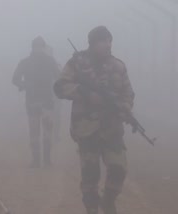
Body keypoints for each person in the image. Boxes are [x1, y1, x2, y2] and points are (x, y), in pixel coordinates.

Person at [54, 26, 135, 214]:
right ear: (92, 43)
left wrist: (124, 108)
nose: (108, 45)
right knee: (90, 176)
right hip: (86, 128)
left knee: (118, 168)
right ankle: (92, 209)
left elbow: (128, 93)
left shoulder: (118, 66)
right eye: (103, 41)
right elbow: (60, 87)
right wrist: (84, 93)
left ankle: (107, 201)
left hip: (112, 128)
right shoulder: (77, 64)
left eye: (110, 41)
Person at [13, 36, 60, 168]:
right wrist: (24, 85)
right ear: (33, 47)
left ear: (43, 47)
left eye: (40, 46)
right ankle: (37, 160)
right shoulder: (27, 62)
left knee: (46, 133)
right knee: (35, 133)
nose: (38, 49)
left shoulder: (49, 61)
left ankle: (46, 160)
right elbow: (15, 79)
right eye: (36, 46)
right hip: (34, 102)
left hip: (46, 102)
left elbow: (59, 78)